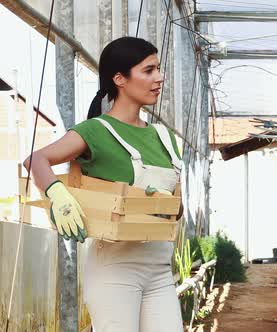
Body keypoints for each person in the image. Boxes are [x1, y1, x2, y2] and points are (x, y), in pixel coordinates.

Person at [24, 37, 183, 332]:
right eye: (148, 71)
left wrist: (160, 203)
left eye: (159, 69)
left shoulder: (164, 138)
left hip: (160, 269)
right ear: (119, 78)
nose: (159, 78)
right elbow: (37, 160)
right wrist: (56, 193)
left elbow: (176, 210)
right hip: (116, 270)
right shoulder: (96, 131)